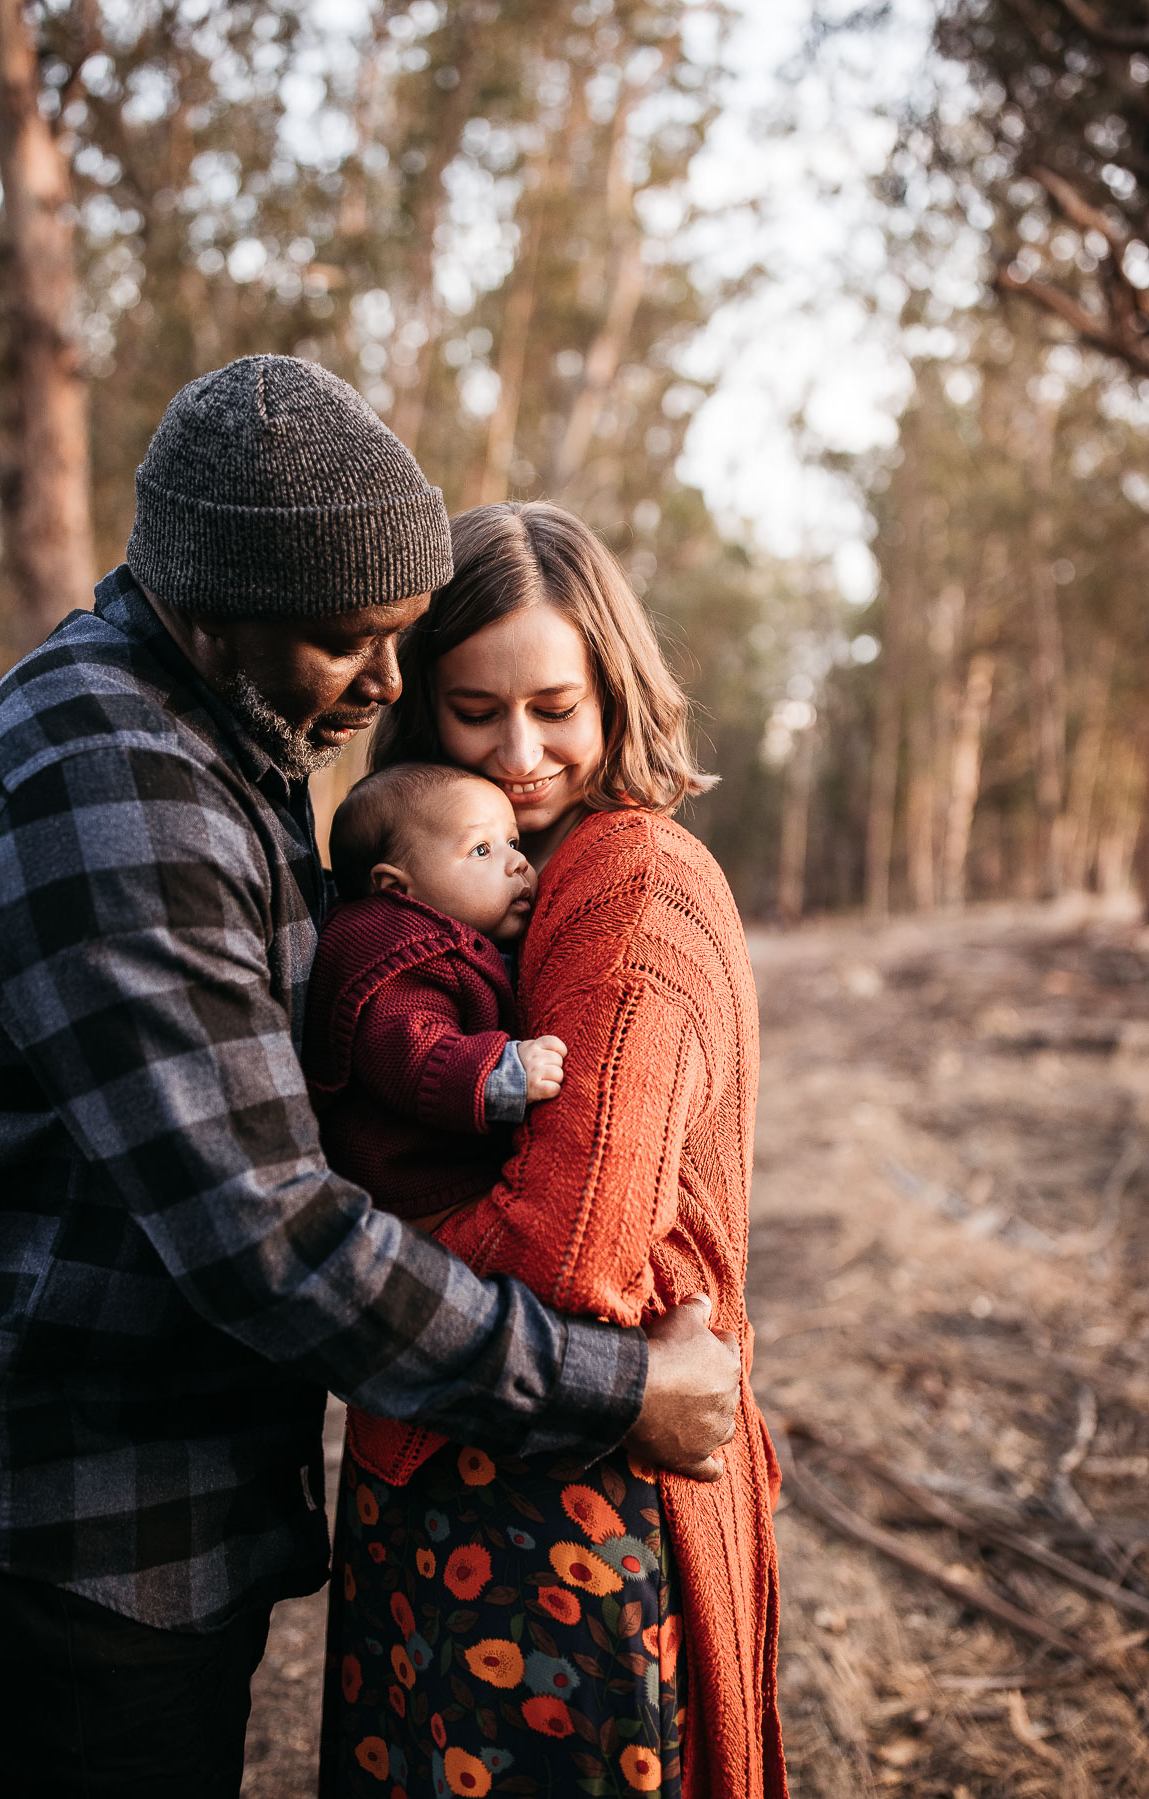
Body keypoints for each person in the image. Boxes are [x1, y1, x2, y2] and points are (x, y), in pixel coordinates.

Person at [0, 358, 740, 1799]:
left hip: (160, 1509)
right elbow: (266, 1230)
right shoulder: (113, 780)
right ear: (211, 608)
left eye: (395, 639)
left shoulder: (220, 738)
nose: (385, 686)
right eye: (346, 644)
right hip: (75, 1537)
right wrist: (618, 1387)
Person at [321, 502, 788, 1799]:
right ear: (422, 705)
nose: (521, 754)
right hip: (479, 1444)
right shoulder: (468, 884)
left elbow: (571, 1246)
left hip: (569, 1504)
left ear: (616, 693)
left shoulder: (627, 882)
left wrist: (354, 1271)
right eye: (476, 711)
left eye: (556, 707)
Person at [304, 762, 566, 1219]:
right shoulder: (397, 955)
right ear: (396, 888)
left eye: (512, 843)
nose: (518, 863)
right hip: (416, 1193)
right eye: (481, 849)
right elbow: (405, 1049)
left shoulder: (453, 933)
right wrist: (503, 1073)